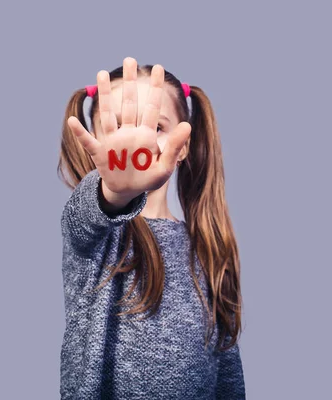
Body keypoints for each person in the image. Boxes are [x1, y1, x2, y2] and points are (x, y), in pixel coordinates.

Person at [57, 56, 245, 399]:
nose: (135, 142)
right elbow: (82, 219)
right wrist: (113, 190)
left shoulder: (206, 245)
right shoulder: (96, 235)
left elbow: (227, 373)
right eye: (115, 127)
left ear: (183, 146)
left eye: (156, 127)